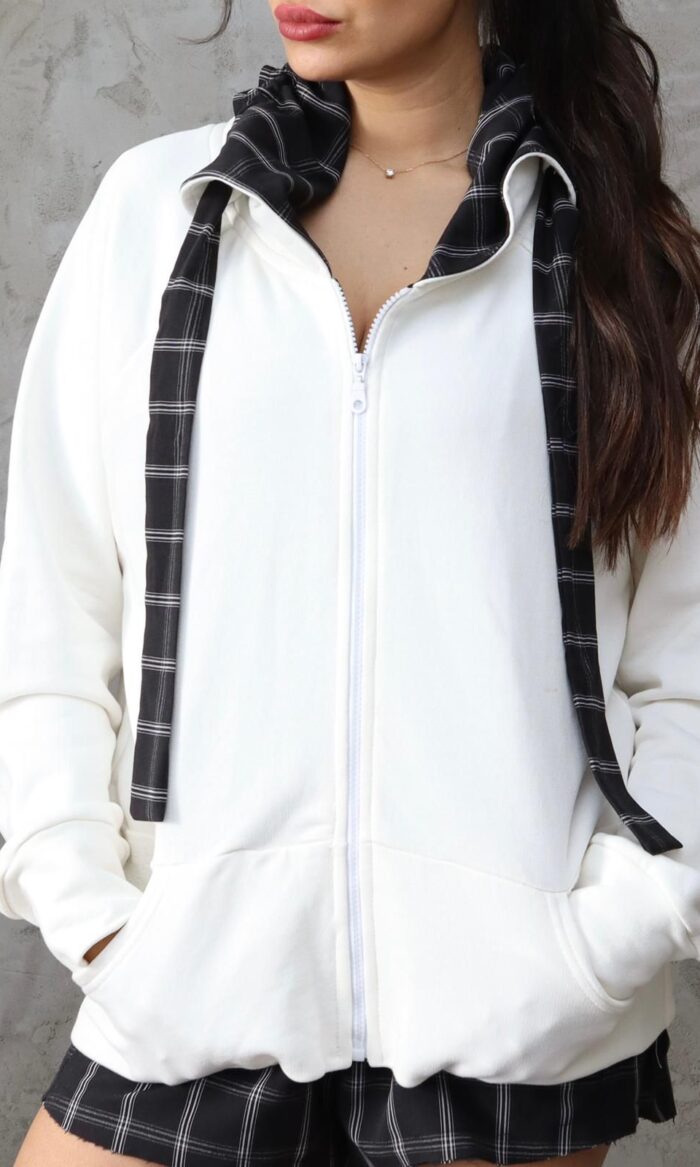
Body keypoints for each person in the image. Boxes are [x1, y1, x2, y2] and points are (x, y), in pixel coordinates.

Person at [4, 0, 700, 1164]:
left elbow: (685, 654)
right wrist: (98, 923)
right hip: (190, 981)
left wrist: (605, 940)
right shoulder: (161, 208)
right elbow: (51, 606)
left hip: (511, 1015)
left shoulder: (617, 249)